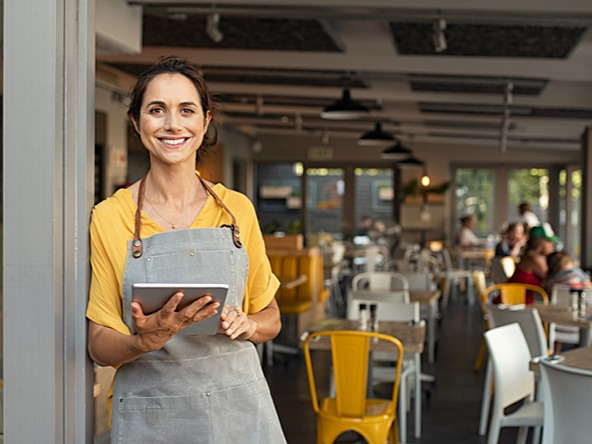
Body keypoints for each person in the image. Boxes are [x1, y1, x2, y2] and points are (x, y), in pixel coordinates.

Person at [86, 57, 286, 443]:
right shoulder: (111, 217)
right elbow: (99, 345)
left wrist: (250, 325)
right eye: (156, 110)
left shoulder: (236, 210)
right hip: (153, 415)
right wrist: (143, 340)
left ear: (205, 121)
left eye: (187, 110)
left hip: (237, 410)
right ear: (136, 122)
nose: (173, 124)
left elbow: (271, 316)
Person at [501, 235, 555, 304]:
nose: (552, 245)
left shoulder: (528, 255)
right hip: (512, 305)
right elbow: (552, 277)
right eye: (549, 242)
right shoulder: (534, 258)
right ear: (542, 243)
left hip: (514, 303)